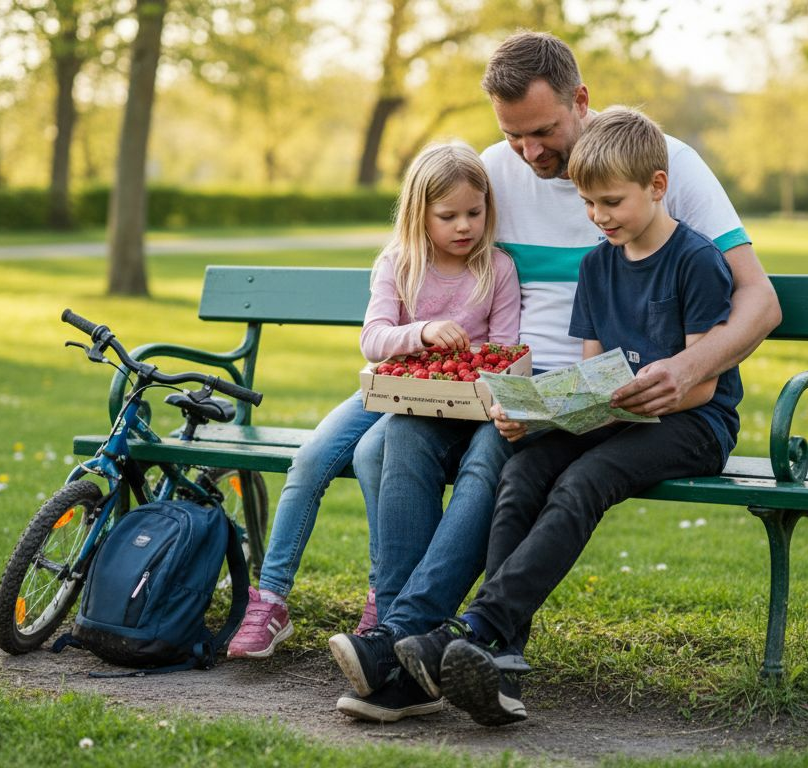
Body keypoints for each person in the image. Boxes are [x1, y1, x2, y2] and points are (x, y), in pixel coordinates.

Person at [331, 31, 781, 721]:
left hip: (632, 401)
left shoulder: (662, 165)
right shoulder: (497, 176)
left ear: (581, 100)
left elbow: (760, 300)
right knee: (400, 438)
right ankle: (420, 646)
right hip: (526, 385)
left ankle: (420, 647)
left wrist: (687, 369)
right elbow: (432, 263)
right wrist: (436, 346)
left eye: (542, 132)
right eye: (512, 135)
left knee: (504, 461)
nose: (529, 153)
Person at [399, 106, 743, 725]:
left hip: (693, 423)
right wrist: (540, 417)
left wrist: (634, 395)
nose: (599, 217)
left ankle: (478, 629)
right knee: (521, 473)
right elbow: (592, 381)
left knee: (585, 480)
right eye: (588, 204)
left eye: (611, 202)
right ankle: (499, 669)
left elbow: (701, 386)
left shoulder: (694, 260)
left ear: (657, 186)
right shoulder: (597, 265)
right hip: (619, 416)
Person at [226, 142, 520, 660]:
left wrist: (470, 364)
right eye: (448, 216)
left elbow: (503, 350)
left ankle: (383, 594)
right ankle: (270, 597)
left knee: (372, 455)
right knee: (310, 459)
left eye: (474, 213)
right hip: (389, 387)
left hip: (445, 402)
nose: (464, 226)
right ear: (419, 213)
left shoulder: (496, 269)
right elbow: (373, 338)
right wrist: (422, 332)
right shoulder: (399, 263)